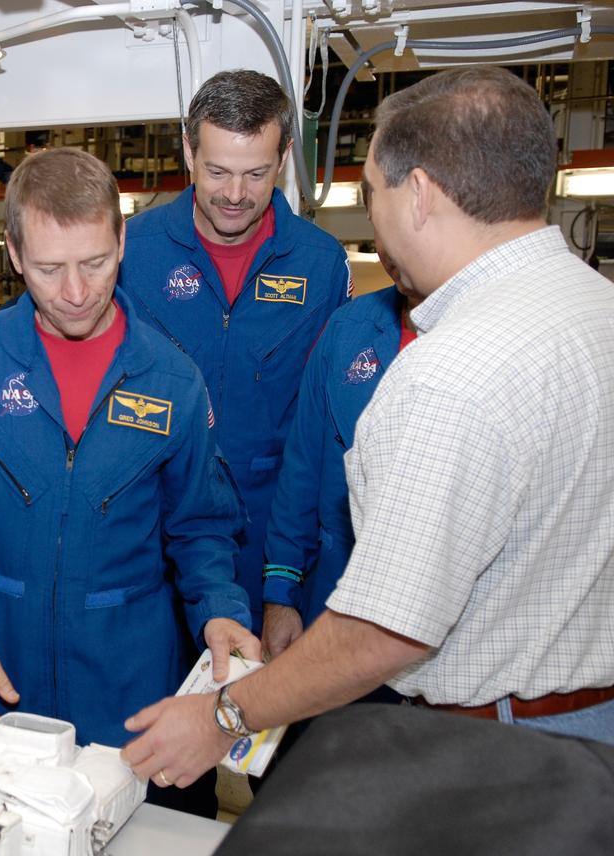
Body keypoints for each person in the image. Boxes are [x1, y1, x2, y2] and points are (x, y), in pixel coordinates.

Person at [121, 66, 614, 791]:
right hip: (585, 731)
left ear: (417, 194)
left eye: (370, 192)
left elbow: (383, 630)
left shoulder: (452, 371)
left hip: (499, 750)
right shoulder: (592, 307)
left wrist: (221, 716)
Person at [0, 148, 258, 813]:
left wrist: (221, 608)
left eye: (95, 263)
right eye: (50, 269)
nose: (77, 292)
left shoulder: (171, 379)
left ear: (122, 241)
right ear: (15, 253)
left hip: (131, 674)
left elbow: (200, 525)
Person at [119, 70, 351, 634]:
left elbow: (320, 436)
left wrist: (285, 586)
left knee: (250, 711)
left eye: (256, 174)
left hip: (266, 530)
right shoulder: (131, 250)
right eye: (218, 171)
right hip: (145, 528)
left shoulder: (320, 265)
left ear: (285, 156)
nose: (235, 194)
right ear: (188, 151)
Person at [261, 247, 417, 660]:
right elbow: (302, 468)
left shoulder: (489, 342)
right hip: (334, 595)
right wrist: (281, 592)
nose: (395, 250)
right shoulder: (348, 329)